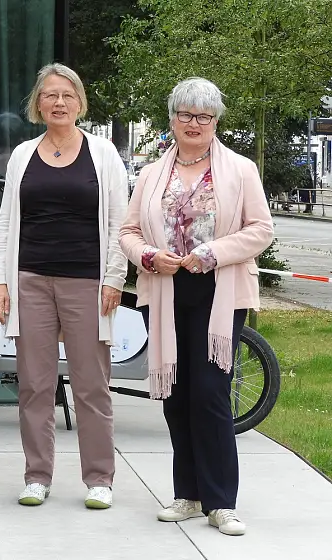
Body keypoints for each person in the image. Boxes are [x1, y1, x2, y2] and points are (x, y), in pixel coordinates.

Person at [119, 77, 273, 536]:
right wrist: (149, 256)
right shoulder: (152, 174)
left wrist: (212, 253)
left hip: (219, 293)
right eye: (185, 114)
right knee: (177, 395)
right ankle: (187, 494)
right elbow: (128, 232)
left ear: (216, 122)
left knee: (209, 393)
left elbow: (260, 229)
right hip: (165, 292)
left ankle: (221, 502)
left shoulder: (240, 170)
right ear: (172, 119)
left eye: (204, 116)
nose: (194, 123)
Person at [0, 63, 128, 509]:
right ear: (38, 103)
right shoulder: (22, 155)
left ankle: (99, 479)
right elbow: (6, 224)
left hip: (87, 282)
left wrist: (114, 278)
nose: (59, 102)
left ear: (79, 102)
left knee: (92, 384)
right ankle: (37, 477)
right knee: (34, 384)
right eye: (50, 95)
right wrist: (0, 280)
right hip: (30, 280)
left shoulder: (103, 153)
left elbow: (121, 224)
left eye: (67, 95)